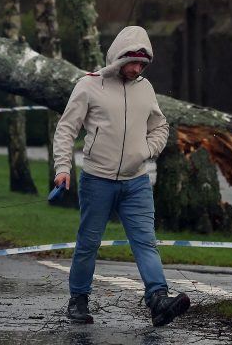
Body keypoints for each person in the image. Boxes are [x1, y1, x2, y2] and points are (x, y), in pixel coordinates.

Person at [53, 25, 191, 327]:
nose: (138, 68)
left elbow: (161, 127)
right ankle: (78, 301)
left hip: (136, 182)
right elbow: (66, 129)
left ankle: (158, 300)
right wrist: (63, 168)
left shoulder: (145, 88)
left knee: (146, 242)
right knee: (88, 243)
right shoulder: (90, 85)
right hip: (96, 180)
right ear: (119, 57)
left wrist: (146, 150)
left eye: (143, 64)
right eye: (134, 62)